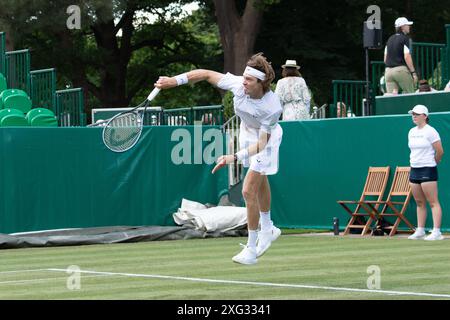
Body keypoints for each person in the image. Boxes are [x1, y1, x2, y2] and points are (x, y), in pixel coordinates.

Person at [155, 53, 283, 264]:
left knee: (248, 190)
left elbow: (261, 145)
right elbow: (204, 74)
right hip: (246, 132)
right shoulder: (238, 85)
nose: (244, 82)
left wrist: (233, 157)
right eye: (244, 77)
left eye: (249, 79)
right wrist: (174, 81)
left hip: (265, 140)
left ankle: (252, 249)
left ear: (261, 82)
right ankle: (268, 227)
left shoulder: (272, 107)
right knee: (261, 180)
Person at [407, 105, 445, 241]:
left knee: (433, 201)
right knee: (419, 202)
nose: (414, 116)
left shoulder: (431, 131)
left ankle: (436, 232)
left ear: (425, 116)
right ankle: (420, 230)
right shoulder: (411, 131)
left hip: (428, 168)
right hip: (414, 169)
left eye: (417, 114)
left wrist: (434, 161)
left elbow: (440, 151)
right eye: (413, 114)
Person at [384, 17, 418, 94]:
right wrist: (413, 72)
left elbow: (385, 59)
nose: (409, 26)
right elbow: (407, 56)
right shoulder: (406, 39)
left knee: (391, 98)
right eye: (407, 25)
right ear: (402, 27)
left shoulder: (390, 39)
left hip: (388, 72)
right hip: (400, 71)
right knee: (410, 95)